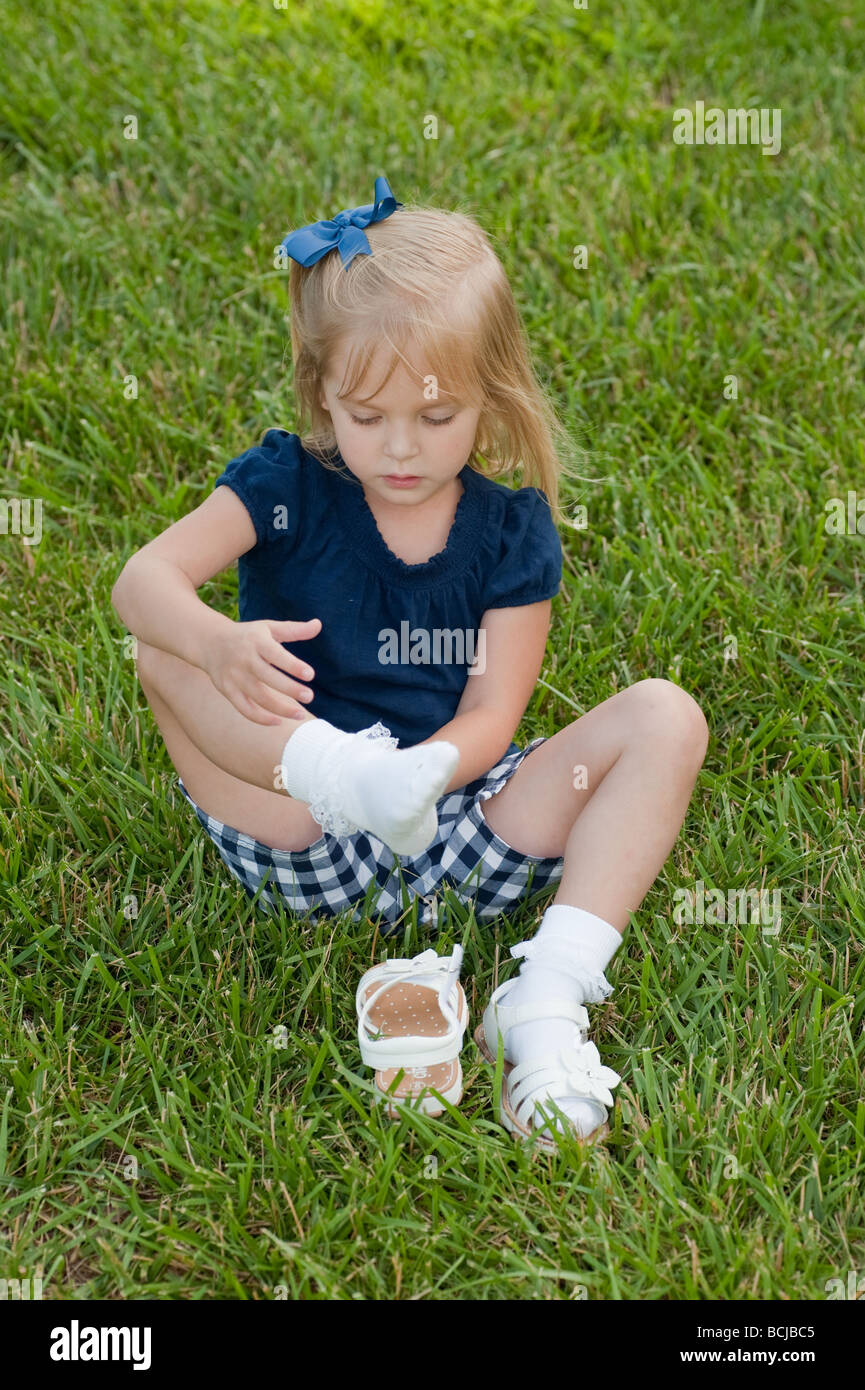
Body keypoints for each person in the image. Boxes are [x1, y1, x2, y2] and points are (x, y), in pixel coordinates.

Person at [111, 176, 709, 1146]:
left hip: (463, 819)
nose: (399, 449)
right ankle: (332, 766)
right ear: (321, 397)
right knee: (162, 648)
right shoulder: (281, 487)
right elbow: (142, 581)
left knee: (665, 716)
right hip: (298, 820)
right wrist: (221, 646)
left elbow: (493, 715)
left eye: (435, 419)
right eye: (365, 415)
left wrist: (421, 775)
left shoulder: (510, 532)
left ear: (490, 399)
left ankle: (544, 998)